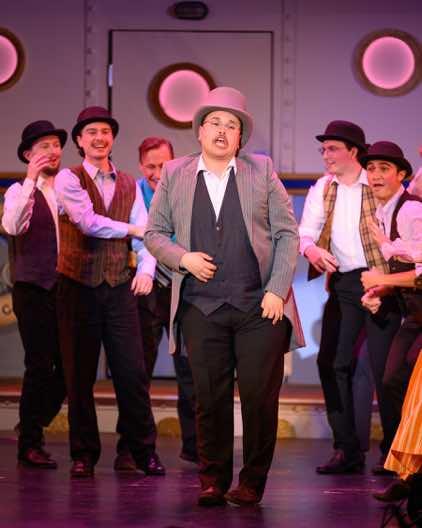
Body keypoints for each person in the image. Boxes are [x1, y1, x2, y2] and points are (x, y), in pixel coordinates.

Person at [145, 86, 304, 506]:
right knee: (209, 398)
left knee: (258, 399)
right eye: (213, 122)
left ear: (240, 137)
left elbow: (288, 234)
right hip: (201, 306)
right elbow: (154, 233)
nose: (221, 130)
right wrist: (183, 258)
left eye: (231, 125)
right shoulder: (175, 173)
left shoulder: (261, 171)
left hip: (259, 307)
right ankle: (212, 480)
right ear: (199, 130)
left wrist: (276, 290)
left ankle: (251, 482)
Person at [54, 106, 162, 477]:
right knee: (79, 375)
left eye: (105, 132)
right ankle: (83, 454)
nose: (99, 138)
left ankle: (142, 451)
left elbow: (146, 236)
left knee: (132, 373)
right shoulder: (68, 179)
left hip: (117, 287)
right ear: (80, 141)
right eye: (92, 133)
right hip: (77, 286)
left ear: (112, 139)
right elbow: (87, 223)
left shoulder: (129, 183)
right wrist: (131, 231)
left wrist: (146, 270)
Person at [299, 122, 402, 475]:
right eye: (323, 149)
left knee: (385, 370)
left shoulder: (376, 182)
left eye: (332, 149)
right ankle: (346, 448)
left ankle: (393, 452)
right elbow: (306, 231)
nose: (326, 155)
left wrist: (388, 280)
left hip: (381, 283)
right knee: (331, 362)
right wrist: (312, 250)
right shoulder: (323, 187)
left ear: (353, 151)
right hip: (344, 284)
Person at [114, 137, 198, 471]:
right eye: (150, 166)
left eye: (163, 165)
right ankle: (129, 448)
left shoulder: (188, 190)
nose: (157, 172)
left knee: (190, 370)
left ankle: (196, 448)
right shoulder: (131, 192)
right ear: (140, 166)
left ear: (173, 162)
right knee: (137, 372)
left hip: (182, 286)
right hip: (144, 288)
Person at [2, 120, 68, 468]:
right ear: (29, 155)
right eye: (44, 146)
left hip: (65, 287)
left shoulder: (68, 189)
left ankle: (33, 421)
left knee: (70, 366)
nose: (53, 151)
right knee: (39, 364)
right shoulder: (18, 191)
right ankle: (30, 442)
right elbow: (12, 226)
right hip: (32, 288)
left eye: (56, 145)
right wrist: (30, 180)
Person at [358, 142, 422, 451]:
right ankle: (407, 460)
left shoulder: (411, 210)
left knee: (406, 377)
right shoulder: (383, 213)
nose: (376, 175)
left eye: (384, 169)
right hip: (414, 314)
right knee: (392, 379)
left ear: (401, 175)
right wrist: (382, 289)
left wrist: (381, 277)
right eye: (371, 169)